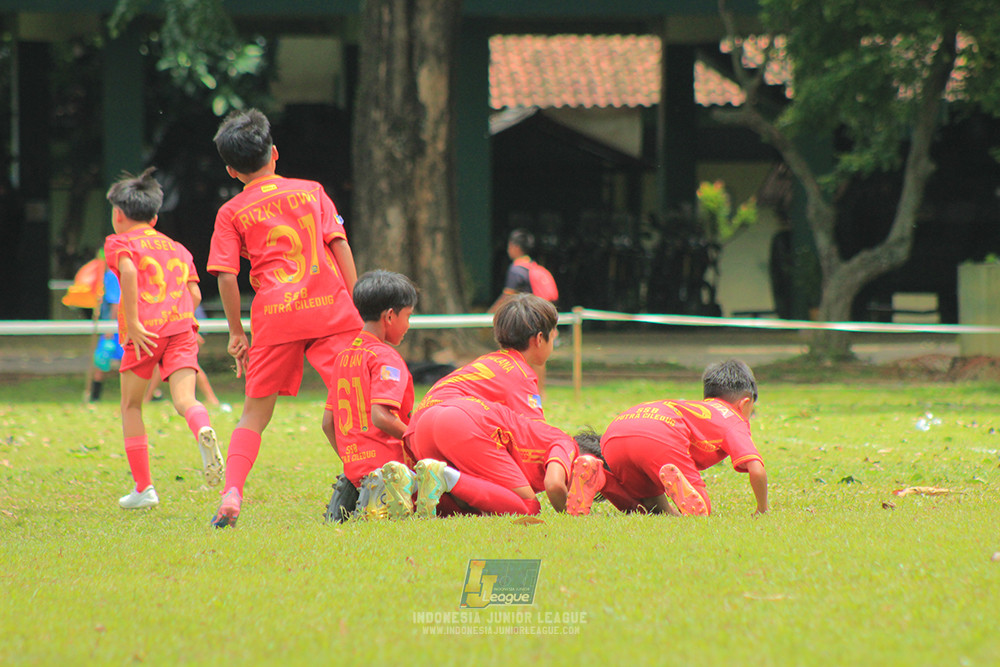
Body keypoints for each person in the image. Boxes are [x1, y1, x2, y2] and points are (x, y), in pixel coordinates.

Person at [207, 108, 363, 528]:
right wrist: (357, 302)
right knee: (353, 404)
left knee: (253, 415)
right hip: (332, 310)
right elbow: (339, 244)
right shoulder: (312, 191)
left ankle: (232, 493)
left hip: (275, 317)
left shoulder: (231, 212)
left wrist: (237, 333)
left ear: (231, 170)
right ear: (274, 153)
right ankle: (374, 479)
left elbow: (226, 274)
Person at [103, 167, 224, 510]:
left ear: (118, 214)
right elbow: (194, 295)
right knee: (186, 400)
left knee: (131, 405)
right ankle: (203, 429)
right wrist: (180, 317)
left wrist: (134, 322)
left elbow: (128, 272)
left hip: (145, 334)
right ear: (154, 218)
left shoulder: (120, 242)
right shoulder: (178, 248)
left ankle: (144, 488)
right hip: (181, 330)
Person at [565, 359, 768, 517]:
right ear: (744, 403)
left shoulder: (696, 409)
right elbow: (756, 469)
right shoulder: (733, 418)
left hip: (616, 431)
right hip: (660, 438)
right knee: (701, 511)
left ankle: (599, 476)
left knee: (648, 508)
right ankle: (671, 476)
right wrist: (762, 509)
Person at [321, 270, 418, 523]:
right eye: (408, 316)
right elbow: (381, 416)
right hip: (390, 465)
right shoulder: (385, 357)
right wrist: (416, 440)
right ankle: (382, 491)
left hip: (354, 467)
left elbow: (328, 423)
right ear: (390, 316)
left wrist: (351, 460)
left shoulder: (343, 358)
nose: (408, 325)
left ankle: (356, 489)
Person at [404, 293, 556, 453]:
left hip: (416, 434)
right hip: (449, 430)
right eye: (553, 336)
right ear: (539, 339)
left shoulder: (488, 362)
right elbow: (537, 436)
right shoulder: (520, 374)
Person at [390, 395, 578, 518]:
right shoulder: (569, 444)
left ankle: (412, 485)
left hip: (427, 421)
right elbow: (554, 485)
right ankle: (445, 476)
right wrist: (570, 515)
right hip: (464, 422)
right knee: (528, 508)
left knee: (467, 505)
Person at [487, 229, 558, 313]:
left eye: (509, 246)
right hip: (541, 313)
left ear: (516, 247)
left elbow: (506, 297)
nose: (508, 250)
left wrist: (489, 314)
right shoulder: (533, 266)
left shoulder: (516, 269)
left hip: (529, 315)